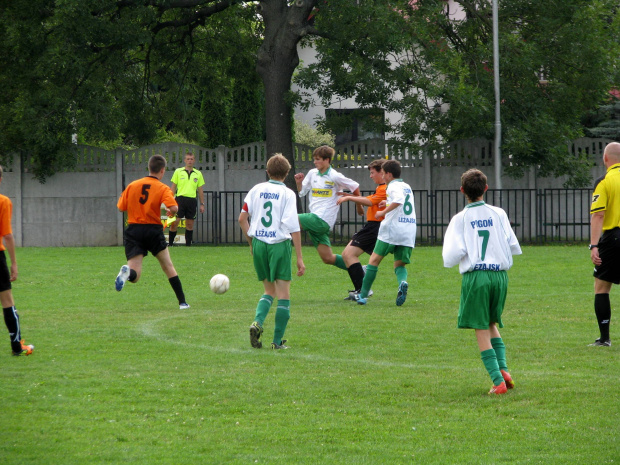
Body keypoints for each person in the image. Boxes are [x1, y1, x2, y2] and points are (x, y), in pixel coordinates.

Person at [442, 169, 522, 395]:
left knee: (480, 327)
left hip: (477, 276)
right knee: (491, 323)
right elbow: (512, 245)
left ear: (462, 191)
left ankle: (497, 381)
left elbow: (450, 257)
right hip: (500, 275)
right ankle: (504, 371)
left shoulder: (460, 219)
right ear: (486, 189)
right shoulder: (499, 213)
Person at [239, 154, 305, 349]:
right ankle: (277, 342)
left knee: (269, 290)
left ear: (267, 172)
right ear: (286, 173)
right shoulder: (288, 194)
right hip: (278, 243)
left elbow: (242, 219)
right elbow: (294, 227)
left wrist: (251, 243)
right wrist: (300, 258)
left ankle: (257, 322)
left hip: (259, 242)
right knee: (283, 293)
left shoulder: (256, 189)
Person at [116, 155, 190, 310]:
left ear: (149, 168)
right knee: (167, 266)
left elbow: (121, 207)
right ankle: (182, 302)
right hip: (153, 230)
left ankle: (126, 273)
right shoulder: (162, 188)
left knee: (135, 275)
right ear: (162, 170)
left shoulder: (132, 185)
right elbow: (174, 208)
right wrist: (170, 211)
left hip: (134, 230)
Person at [354, 159, 416, 306]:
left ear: (388, 174)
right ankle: (402, 282)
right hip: (408, 230)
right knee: (400, 265)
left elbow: (399, 200)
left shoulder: (392, 186)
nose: (382, 177)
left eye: (382, 173)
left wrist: (383, 210)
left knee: (373, 261)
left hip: (392, 229)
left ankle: (363, 296)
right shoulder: (406, 186)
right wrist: (387, 203)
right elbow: (403, 203)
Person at [294, 145, 362, 273]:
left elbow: (354, 186)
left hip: (322, 220)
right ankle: (361, 270)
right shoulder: (312, 173)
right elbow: (302, 192)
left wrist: (358, 203)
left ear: (327, 160)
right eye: (314, 159)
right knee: (328, 258)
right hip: (314, 218)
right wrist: (299, 183)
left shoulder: (335, 176)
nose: (315, 162)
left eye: (318, 159)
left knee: (290, 219)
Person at [336, 159, 387, 299]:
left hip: (375, 227)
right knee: (347, 254)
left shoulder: (385, 189)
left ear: (382, 173)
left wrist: (349, 199)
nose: (370, 176)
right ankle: (361, 283)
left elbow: (370, 201)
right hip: (372, 227)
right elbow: (370, 199)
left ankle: (363, 289)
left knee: (348, 255)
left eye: (372, 173)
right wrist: (351, 196)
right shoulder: (381, 188)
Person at [0, 166, 34, 356]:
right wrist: (14, 263)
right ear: (1, 179)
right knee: (7, 301)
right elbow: (7, 235)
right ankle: (17, 346)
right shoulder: (3, 202)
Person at [589, 141, 620, 347]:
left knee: (602, 287)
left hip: (614, 238)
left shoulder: (605, 181)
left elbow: (599, 215)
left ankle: (605, 338)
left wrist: (593, 245)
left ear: (605, 158)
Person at [168, 152, 205, 246]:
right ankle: (170, 244)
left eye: (191, 159)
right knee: (175, 223)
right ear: (184, 160)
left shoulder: (198, 173)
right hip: (180, 200)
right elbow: (173, 187)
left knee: (189, 224)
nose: (190, 161)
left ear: (194, 161)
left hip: (192, 200)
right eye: (188, 159)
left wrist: (202, 204)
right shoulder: (178, 171)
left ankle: (188, 245)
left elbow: (200, 189)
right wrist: (171, 200)